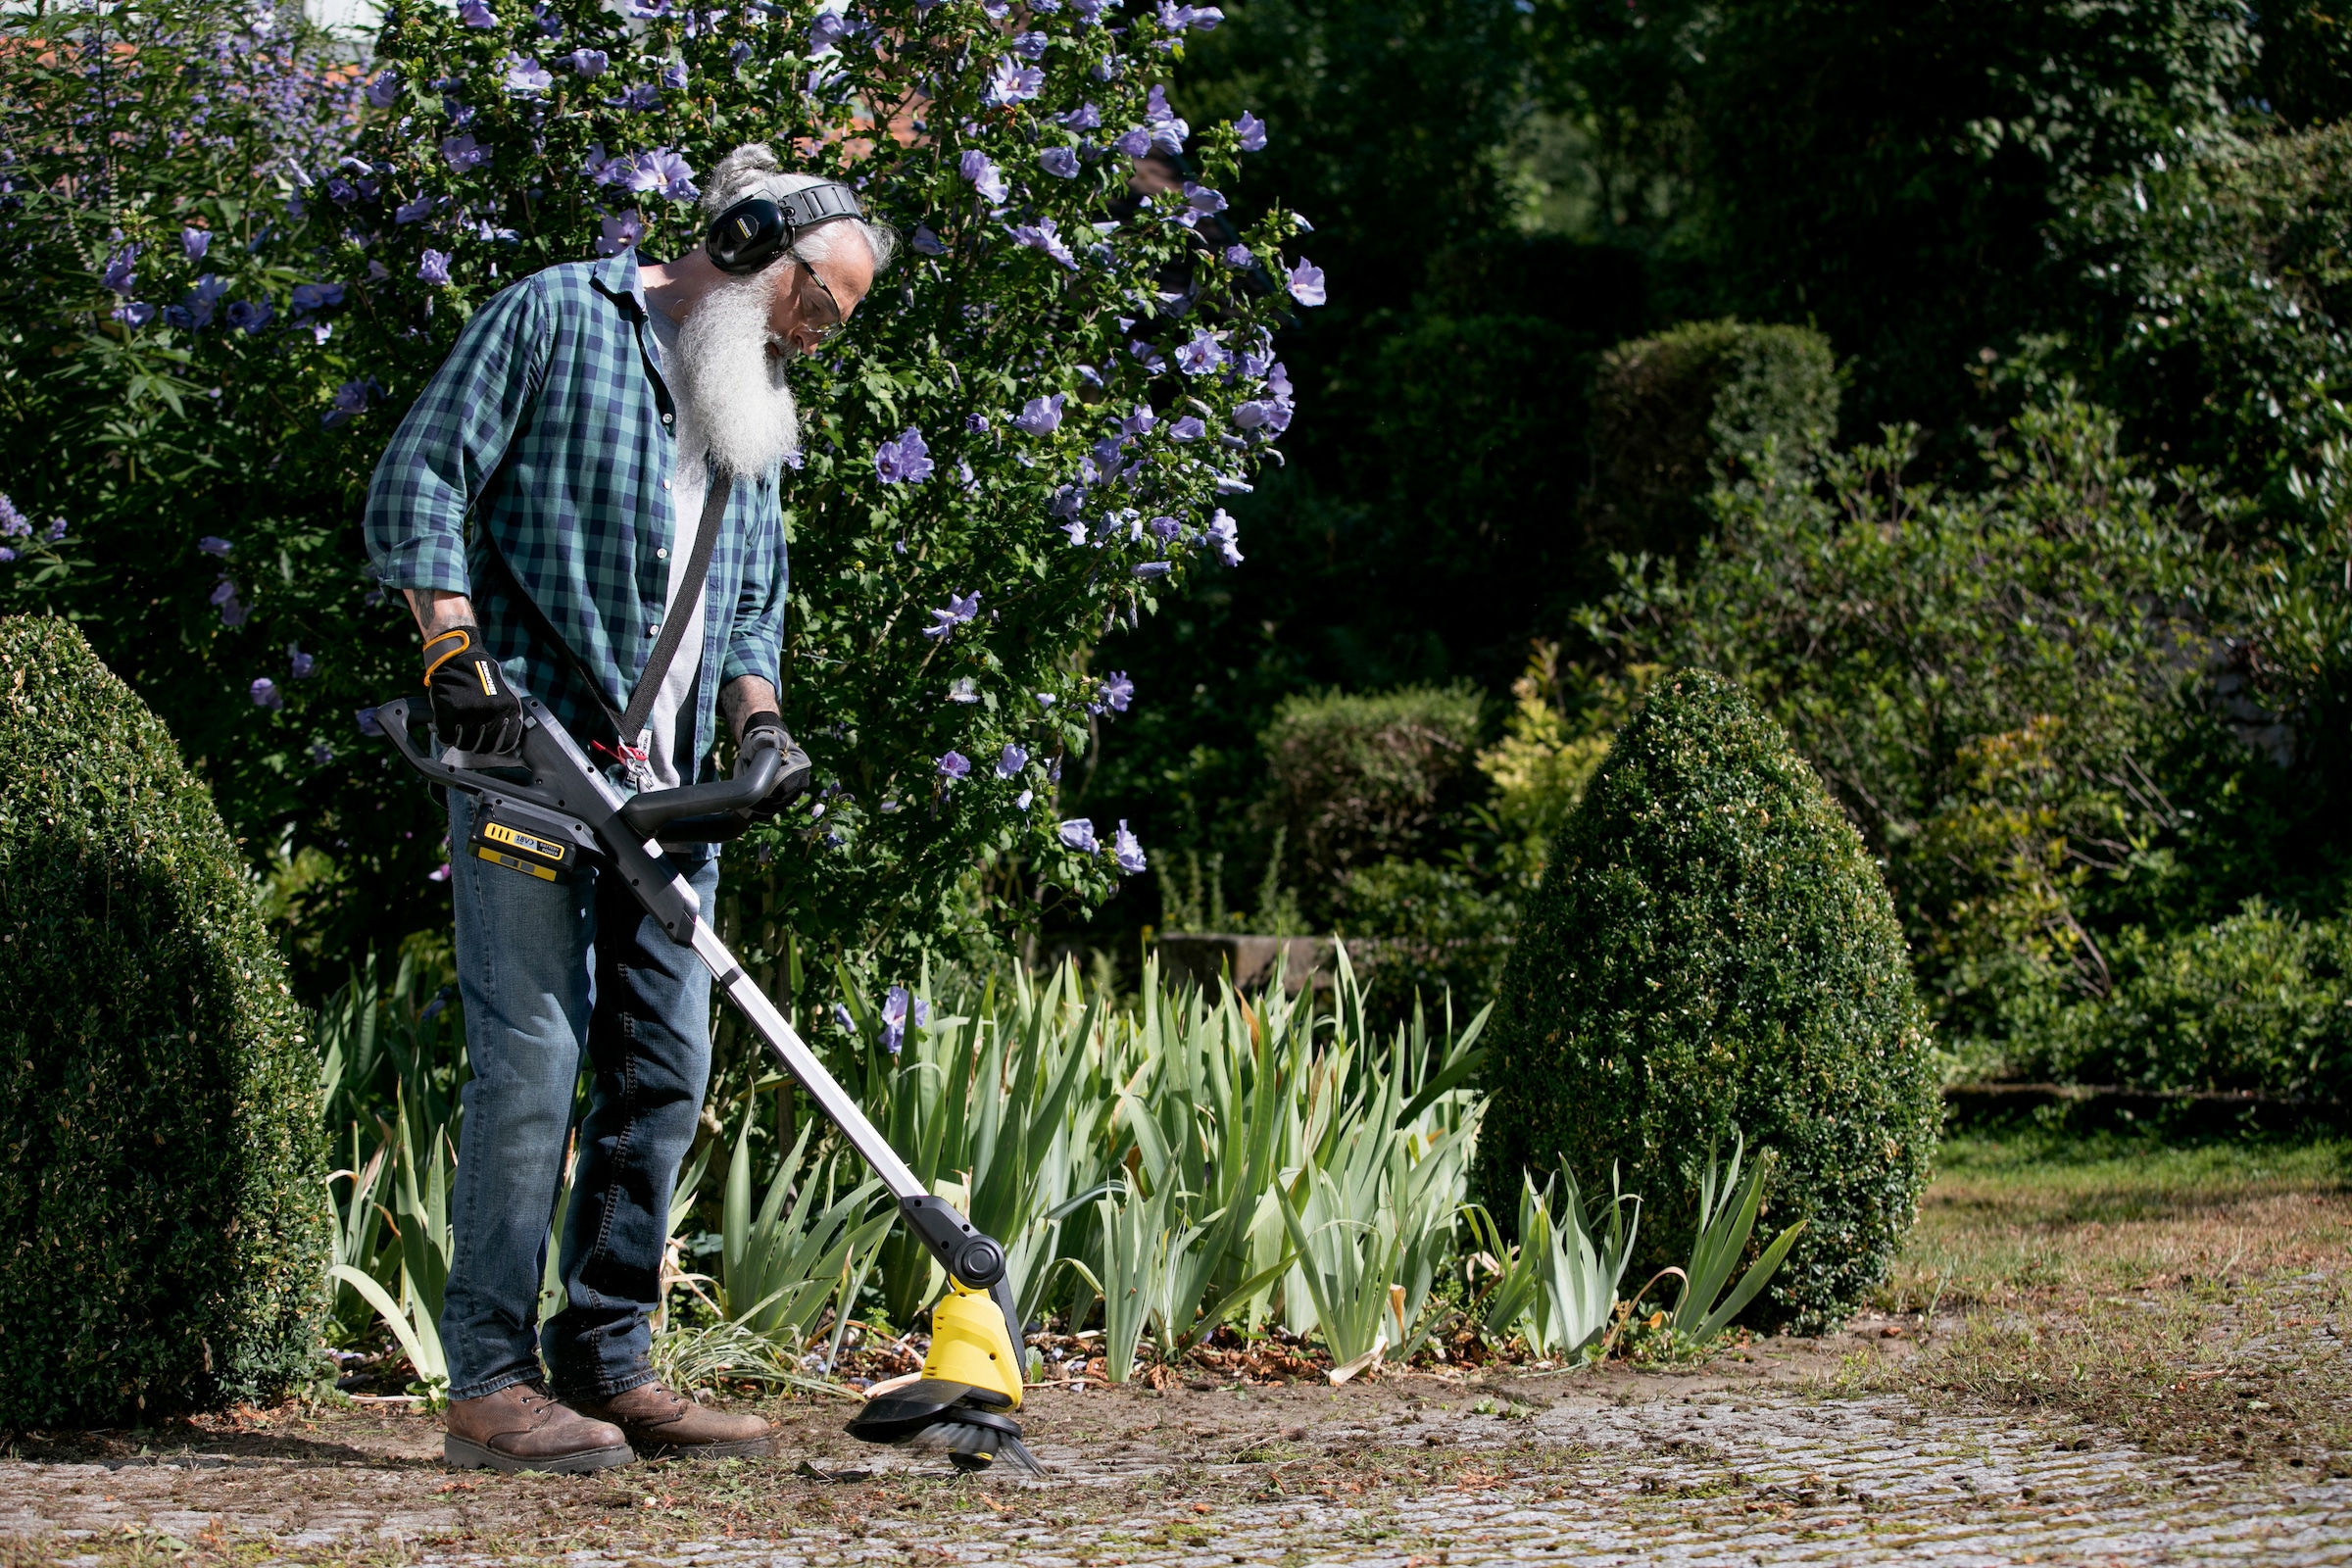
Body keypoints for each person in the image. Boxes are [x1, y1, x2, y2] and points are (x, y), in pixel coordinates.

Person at [364, 144, 897, 1474]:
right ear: (747, 240)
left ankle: (610, 1361)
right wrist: (450, 653)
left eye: (838, 319)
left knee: (665, 1071)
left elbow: (753, 596)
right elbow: (423, 476)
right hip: (526, 763)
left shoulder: (750, 396)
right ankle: (489, 1380)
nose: (817, 336)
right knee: (534, 1058)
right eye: (816, 301)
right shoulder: (556, 317)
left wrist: (760, 725)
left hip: (666, 796)